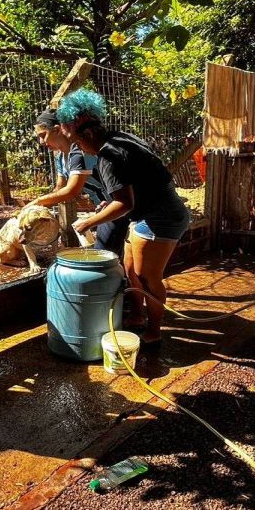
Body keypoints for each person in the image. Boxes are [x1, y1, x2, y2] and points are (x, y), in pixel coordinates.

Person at [59, 89, 191, 347]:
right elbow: (138, 183)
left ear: (85, 133)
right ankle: (137, 317)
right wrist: (113, 201)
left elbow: (125, 203)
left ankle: (153, 332)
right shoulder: (121, 138)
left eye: (74, 140)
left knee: (147, 278)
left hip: (160, 218)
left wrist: (89, 222)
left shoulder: (108, 156)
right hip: (151, 212)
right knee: (130, 270)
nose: (76, 147)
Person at [30, 109, 129, 258]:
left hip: (118, 205)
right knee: (111, 255)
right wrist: (37, 211)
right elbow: (60, 188)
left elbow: (71, 191)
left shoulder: (79, 150)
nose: (41, 142)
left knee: (104, 256)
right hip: (106, 207)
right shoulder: (60, 157)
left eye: (43, 135)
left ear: (57, 130)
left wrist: (36, 202)